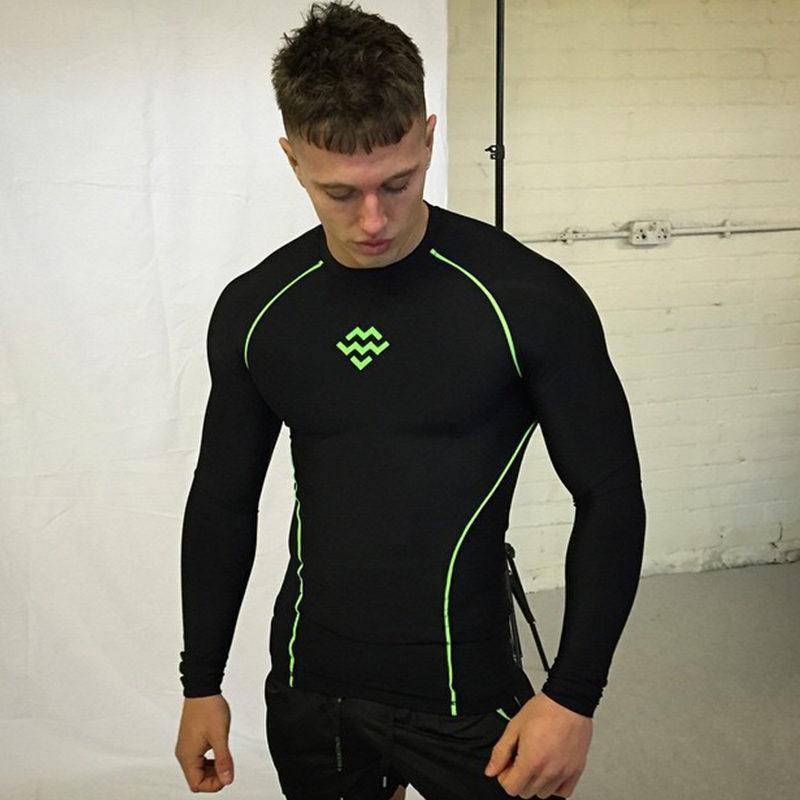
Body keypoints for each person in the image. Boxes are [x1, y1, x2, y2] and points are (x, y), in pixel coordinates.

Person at [173, 2, 646, 798]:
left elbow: (610, 495)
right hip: (310, 686)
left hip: (467, 690)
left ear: (428, 137)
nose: (373, 221)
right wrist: (201, 682)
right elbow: (222, 498)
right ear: (291, 159)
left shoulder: (526, 299)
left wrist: (573, 695)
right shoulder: (261, 309)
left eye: (398, 183)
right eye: (338, 192)